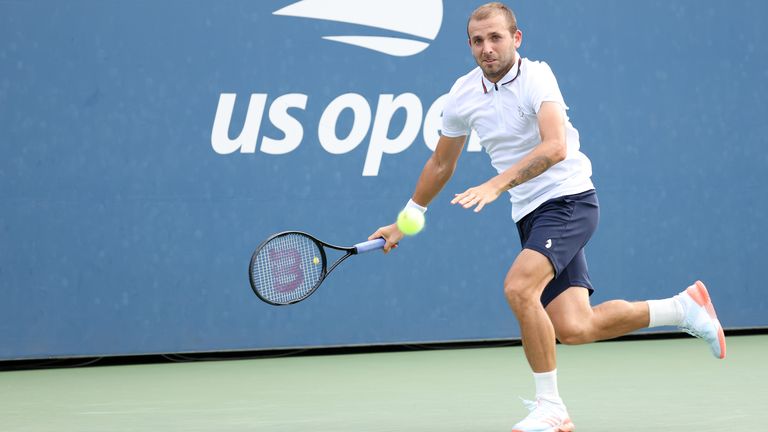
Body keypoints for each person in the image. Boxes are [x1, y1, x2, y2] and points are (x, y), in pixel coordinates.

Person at [368, 3, 726, 431]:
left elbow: (555, 145)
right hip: (531, 214)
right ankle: (684, 309)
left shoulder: (537, 76)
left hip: (569, 199)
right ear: (469, 45)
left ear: (516, 39)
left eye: (496, 38)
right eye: (478, 41)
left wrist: (496, 184)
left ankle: (551, 407)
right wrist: (406, 218)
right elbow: (442, 163)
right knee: (575, 326)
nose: (487, 48)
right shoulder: (461, 95)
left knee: (519, 289)